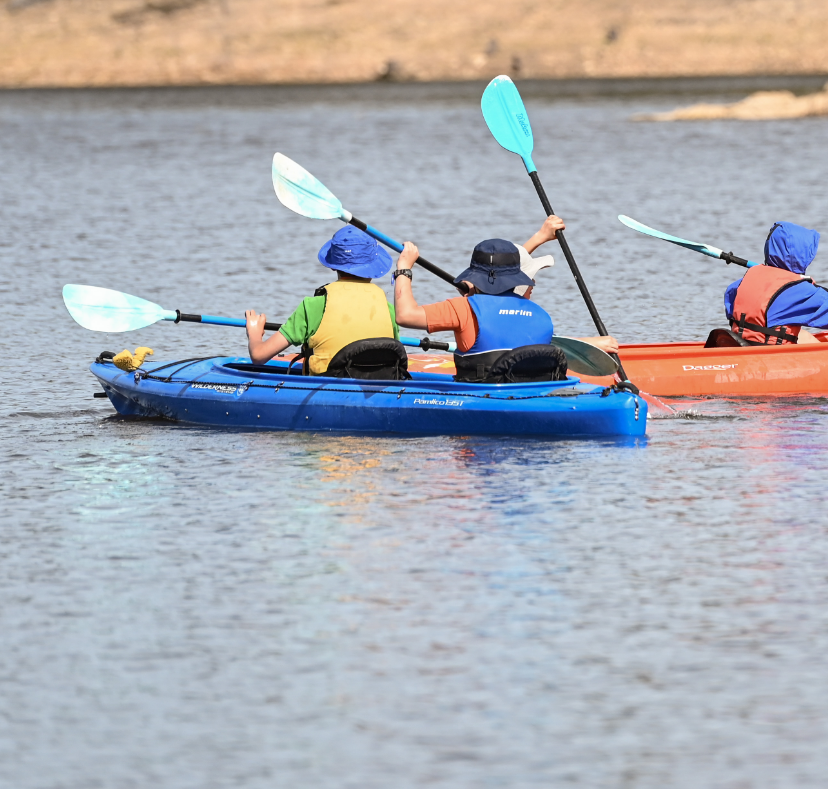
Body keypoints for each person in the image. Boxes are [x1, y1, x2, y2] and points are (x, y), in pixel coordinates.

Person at [392, 215, 619, 381]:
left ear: (474, 278)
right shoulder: (539, 315)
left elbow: (405, 315)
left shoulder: (462, 308)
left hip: (481, 398)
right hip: (531, 397)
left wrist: (404, 268)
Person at [245, 225, 399, 373]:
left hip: (330, 388)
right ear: (373, 265)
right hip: (377, 387)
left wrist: (255, 334)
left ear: (333, 265)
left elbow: (259, 356)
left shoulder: (312, 307)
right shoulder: (389, 310)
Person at [725, 221, 827, 345]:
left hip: (740, 346)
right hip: (769, 357)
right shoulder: (801, 292)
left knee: (801, 334)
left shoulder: (740, 283)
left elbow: (730, 300)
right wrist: (807, 288)